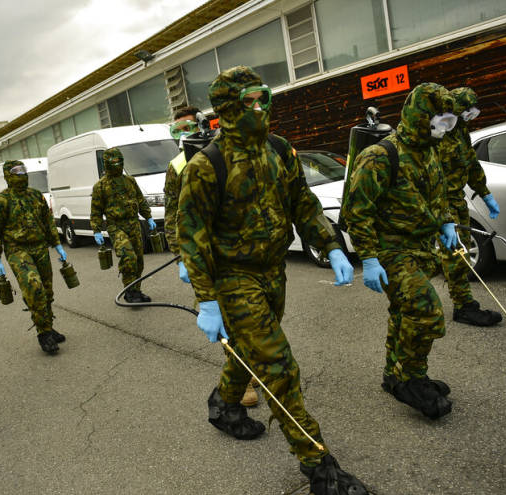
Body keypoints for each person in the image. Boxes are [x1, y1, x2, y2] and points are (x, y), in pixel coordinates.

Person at [177, 66, 364, 494]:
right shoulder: (208, 165)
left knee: (247, 348)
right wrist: (206, 300)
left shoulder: (280, 149)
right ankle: (319, 466)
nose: (259, 108)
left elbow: (303, 201)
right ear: (227, 108)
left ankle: (225, 406)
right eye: (248, 102)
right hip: (233, 278)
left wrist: (330, 245)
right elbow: (192, 237)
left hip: (273, 271)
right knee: (278, 366)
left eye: (264, 98)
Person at [341, 82, 459, 420]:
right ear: (421, 117)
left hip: (421, 247)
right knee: (426, 313)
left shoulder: (430, 150)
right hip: (390, 250)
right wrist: (368, 257)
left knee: (403, 313)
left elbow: (437, 194)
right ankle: (412, 379)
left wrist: (446, 222)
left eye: (450, 123)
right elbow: (356, 211)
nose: (445, 129)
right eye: (441, 122)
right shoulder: (379, 156)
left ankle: (394, 375)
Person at [164, 106, 260, 408]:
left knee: (256, 314)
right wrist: (180, 256)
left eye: (189, 126)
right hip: (204, 252)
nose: (184, 134)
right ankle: (243, 380)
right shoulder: (178, 165)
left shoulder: (226, 151)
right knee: (229, 319)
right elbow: (171, 215)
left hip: (240, 248)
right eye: (177, 129)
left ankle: (251, 368)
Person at [0, 160, 67, 354]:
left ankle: (48, 326)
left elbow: (47, 222)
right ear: (7, 175)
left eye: (23, 170)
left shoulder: (36, 196)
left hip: (40, 248)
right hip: (17, 250)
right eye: (15, 171)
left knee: (47, 291)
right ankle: (43, 333)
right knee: (34, 288)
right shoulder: (0, 202)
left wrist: (57, 244)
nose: (20, 174)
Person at [437, 87, 502, 327]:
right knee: (455, 253)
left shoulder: (461, 132)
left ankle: (460, 302)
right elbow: (429, 177)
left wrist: (484, 193)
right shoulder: (438, 133)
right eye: (466, 110)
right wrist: (443, 216)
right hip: (440, 202)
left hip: (456, 200)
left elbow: (471, 164)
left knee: (456, 251)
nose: (470, 115)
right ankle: (463, 307)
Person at [90, 148, 156, 303]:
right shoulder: (100, 186)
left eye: (119, 161)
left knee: (139, 260)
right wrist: (96, 230)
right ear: (106, 164)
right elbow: (96, 211)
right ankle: (129, 292)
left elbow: (140, 200)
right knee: (128, 256)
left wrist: (149, 217)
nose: (117, 164)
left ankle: (137, 291)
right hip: (116, 226)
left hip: (134, 223)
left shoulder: (130, 181)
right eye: (113, 162)